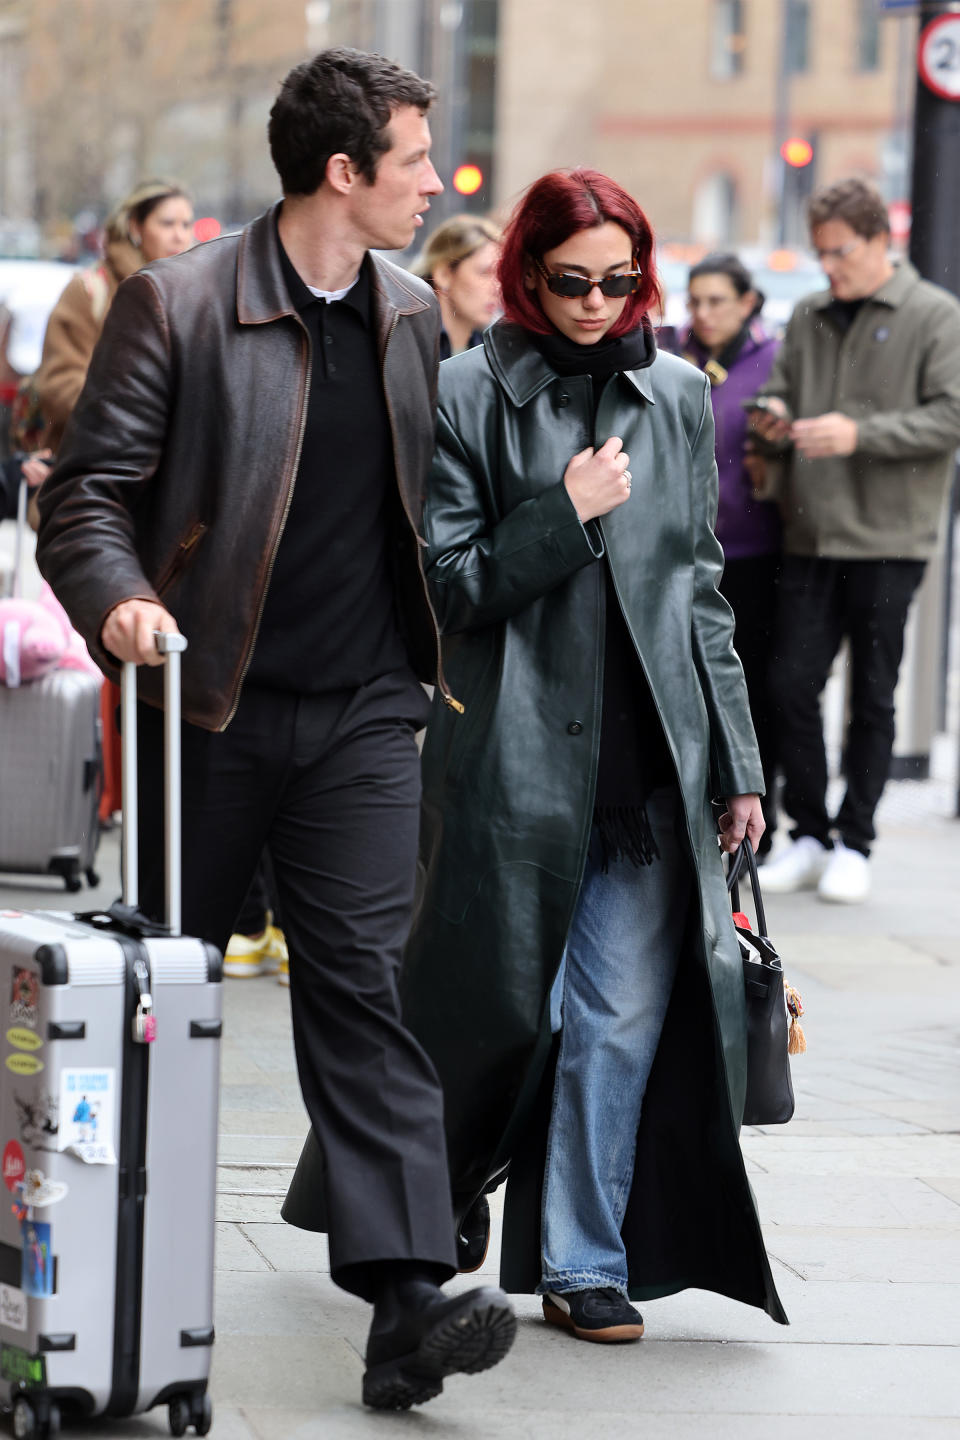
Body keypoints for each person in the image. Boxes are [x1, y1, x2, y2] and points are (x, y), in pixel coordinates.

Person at [37, 46, 515, 1412]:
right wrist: (122, 604)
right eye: (416, 160)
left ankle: (407, 1296)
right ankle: (97, 1284)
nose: (436, 183)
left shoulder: (417, 313)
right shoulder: (175, 305)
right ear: (342, 171)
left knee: (362, 985)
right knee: (159, 993)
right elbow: (86, 498)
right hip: (209, 705)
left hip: (367, 710)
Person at [398, 169, 787, 1340]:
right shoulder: (469, 389)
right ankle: (441, 1193)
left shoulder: (673, 390)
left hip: (646, 768)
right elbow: (449, 584)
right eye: (573, 280)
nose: (596, 300)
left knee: (616, 1020)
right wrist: (564, 513)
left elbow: (698, 593)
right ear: (528, 271)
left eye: (620, 279)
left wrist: (740, 763)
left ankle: (580, 1262)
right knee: (508, 1015)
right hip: (513, 765)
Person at [751, 178, 960, 903]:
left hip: (889, 537)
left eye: (839, 252)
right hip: (809, 532)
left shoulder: (935, 315)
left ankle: (856, 840)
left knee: (872, 696)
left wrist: (859, 433)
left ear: (880, 241)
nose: (828, 267)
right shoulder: (808, 311)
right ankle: (809, 833)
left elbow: (951, 416)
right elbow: (779, 386)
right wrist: (775, 416)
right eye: (820, 254)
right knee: (788, 687)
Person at [29, 179, 195, 827]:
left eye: (188, 224)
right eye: (170, 224)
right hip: (100, 496)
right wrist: (133, 400)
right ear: (136, 230)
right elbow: (60, 382)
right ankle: (108, 795)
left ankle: (136, 797)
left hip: (170, 507)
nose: (182, 236)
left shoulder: (193, 291)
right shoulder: (93, 290)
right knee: (110, 647)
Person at [682, 253, 781, 853]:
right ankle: (701, 811)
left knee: (753, 685)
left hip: (752, 550)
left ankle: (757, 821)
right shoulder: (673, 356)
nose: (703, 313)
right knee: (690, 684)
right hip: (690, 551)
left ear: (748, 303)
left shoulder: (772, 362)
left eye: (717, 300)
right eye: (695, 300)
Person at [413, 214, 500, 357]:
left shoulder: (493, 348)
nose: (498, 288)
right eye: (485, 273)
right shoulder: (407, 339)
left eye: (501, 275)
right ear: (444, 275)